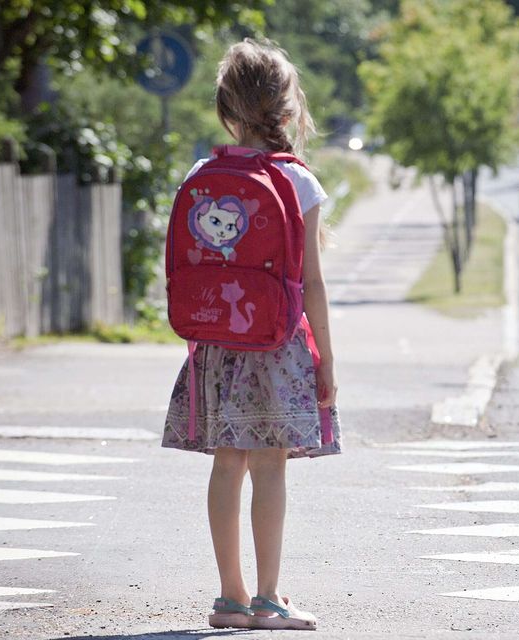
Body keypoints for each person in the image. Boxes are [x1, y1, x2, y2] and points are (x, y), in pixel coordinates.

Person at [161, 39, 338, 631]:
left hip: (215, 342)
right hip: (277, 343)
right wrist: (327, 363)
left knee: (226, 462)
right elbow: (312, 284)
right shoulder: (297, 182)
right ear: (288, 111)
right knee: (270, 466)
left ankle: (229, 597)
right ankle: (268, 597)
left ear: (224, 107)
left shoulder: (201, 174)